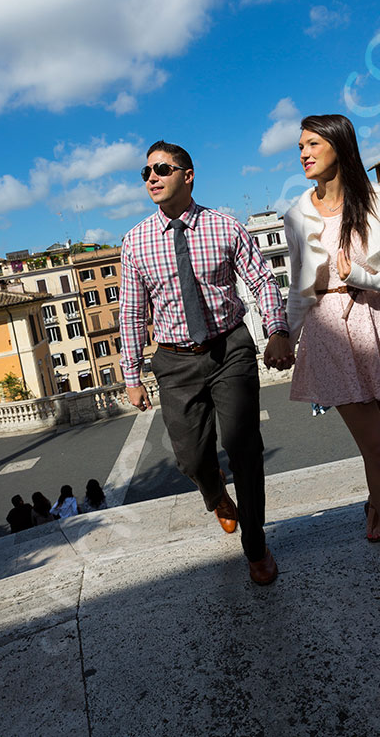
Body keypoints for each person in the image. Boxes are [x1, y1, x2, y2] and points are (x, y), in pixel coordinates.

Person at [119, 140, 294, 586]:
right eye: (146, 173)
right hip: (174, 362)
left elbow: (262, 280)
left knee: (245, 448)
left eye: (161, 169)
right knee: (190, 459)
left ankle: (256, 548)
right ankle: (215, 492)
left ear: (188, 175)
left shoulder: (225, 227)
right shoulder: (135, 241)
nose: (151, 178)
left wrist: (276, 330)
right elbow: (133, 313)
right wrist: (131, 374)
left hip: (229, 348)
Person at [284, 114, 380, 622]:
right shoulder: (296, 214)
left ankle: (377, 504)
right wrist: (285, 333)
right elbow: (299, 287)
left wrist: (366, 275)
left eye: (312, 143)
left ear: (339, 145)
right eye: (299, 145)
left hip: (378, 319)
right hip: (328, 330)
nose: (302, 152)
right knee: (376, 448)